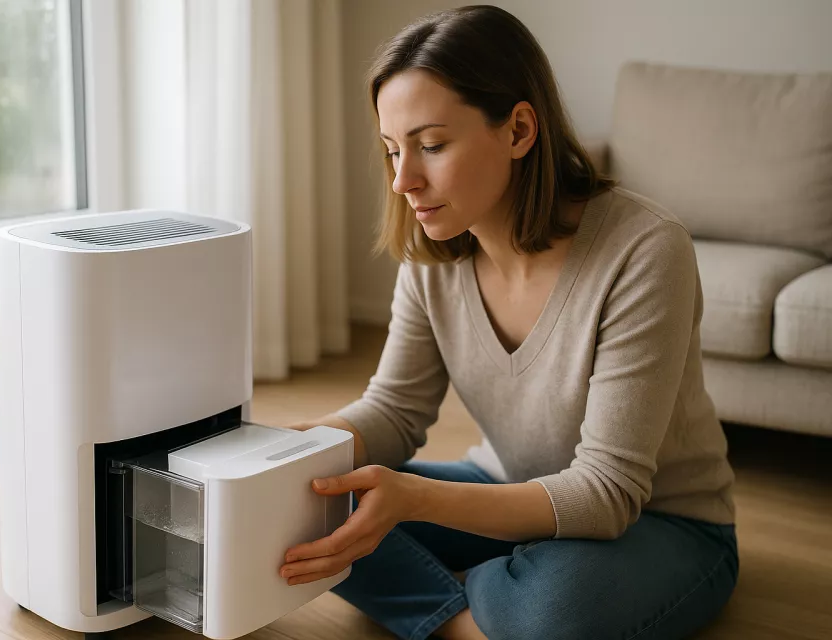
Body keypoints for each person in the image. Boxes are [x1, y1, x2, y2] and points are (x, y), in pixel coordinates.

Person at [279, 6, 738, 640]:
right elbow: (395, 411)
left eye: (431, 146)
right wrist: (293, 452)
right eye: (392, 150)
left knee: (555, 611)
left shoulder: (645, 250)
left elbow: (606, 493)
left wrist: (418, 501)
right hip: (506, 484)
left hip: (662, 522)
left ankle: (487, 601)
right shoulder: (434, 255)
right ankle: (478, 615)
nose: (403, 180)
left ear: (519, 129)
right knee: (312, 502)